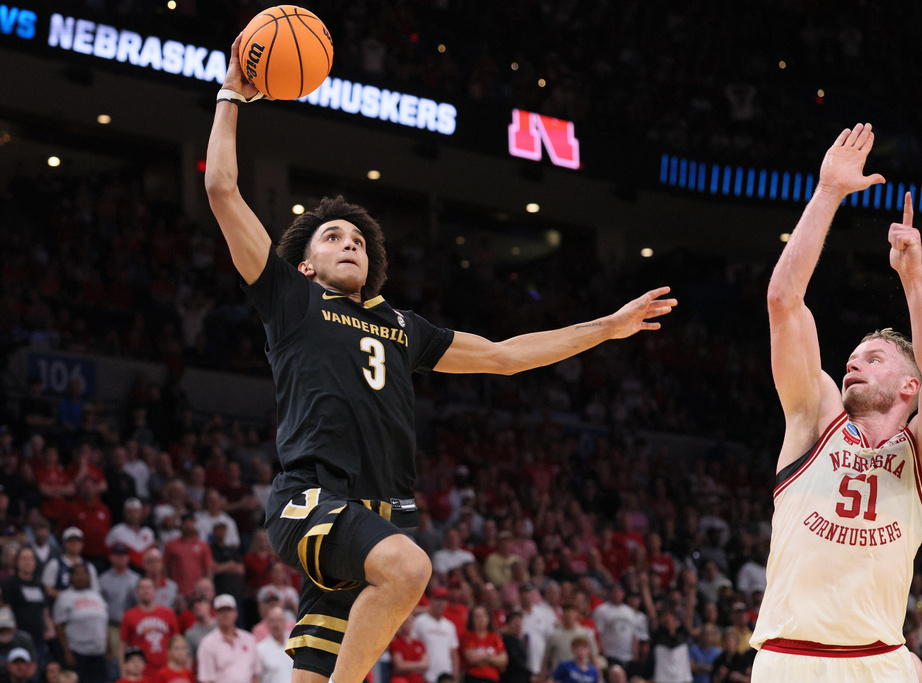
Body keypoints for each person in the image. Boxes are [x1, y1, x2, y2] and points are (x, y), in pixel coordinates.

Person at [205, 33, 675, 683]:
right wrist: (232, 92)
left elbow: (506, 356)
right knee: (411, 567)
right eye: (333, 236)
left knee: (317, 666)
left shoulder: (404, 325)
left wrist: (607, 326)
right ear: (305, 262)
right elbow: (224, 190)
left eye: (359, 240)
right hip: (313, 503)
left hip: (375, 519)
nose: (350, 243)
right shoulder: (292, 301)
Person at [749, 123, 922, 682]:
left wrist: (913, 279)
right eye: (852, 356)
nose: (852, 362)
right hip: (790, 659)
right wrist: (827, 194)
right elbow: (783, 301)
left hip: (878, 662)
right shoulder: (813, 414)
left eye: (873, 358)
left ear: (906, 387)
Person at [53, 564, 109, 683]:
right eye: (77, 574)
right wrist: (67, 652)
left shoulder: (97, 596)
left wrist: (109, 648)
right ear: (71, 578)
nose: (81, 576)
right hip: (78, 652)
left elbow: (104, 623)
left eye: (84, 573)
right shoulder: (64, 597)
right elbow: (59, 626)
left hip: (99, 652)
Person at [120, 577, 179, 680]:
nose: (146, 591)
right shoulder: (129, 616)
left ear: (155, 591)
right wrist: (123, 671)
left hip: (166, 671)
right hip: (141, 673)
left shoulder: (168, 613)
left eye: (149, 587)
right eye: (142, 588)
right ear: (137, 592)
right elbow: (123, 646)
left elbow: (177, 642)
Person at [196, 595, 261, 683]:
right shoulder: (208, 643)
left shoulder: (249, 639)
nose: (226, 614)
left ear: (236, 613)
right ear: (215, 614)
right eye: (221, 611)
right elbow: (206, 679)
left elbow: (255, 674)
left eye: (229, 610)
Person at [411, 587, 460, 683]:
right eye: (438, 599)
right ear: (431, 600)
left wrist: (455, 676)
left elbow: (453, 654)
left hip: (446, 676)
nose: (441, 604)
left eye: (443, 600)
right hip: (425, 675)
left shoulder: (449, 626)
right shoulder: (420, 621)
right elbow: (411, 646)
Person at [459, 604, 507, 683]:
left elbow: (503, 660)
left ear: (488, 618)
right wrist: (493, 659)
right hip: (474, 678)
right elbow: (471, 658)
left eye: (484, 615)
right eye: (477, 616)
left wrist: (484, 658)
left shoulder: (495, 637)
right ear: (472, 619)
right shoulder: (468, 636)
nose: (481, 619)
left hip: (493, 679)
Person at [390, 615, 430, 683]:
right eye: (405, 622)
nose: (408, 624)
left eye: (410, 622)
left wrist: (407, 666)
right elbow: (399, 666)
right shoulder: (396, 642)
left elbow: (426, 665)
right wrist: (419, 666)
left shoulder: (419, 643)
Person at [256, 607, 292, 683]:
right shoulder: (260, 649)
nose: (276, 625)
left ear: (285, 622)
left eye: (279, 620)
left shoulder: (295, 645)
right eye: (272, 621)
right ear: (267, 623)